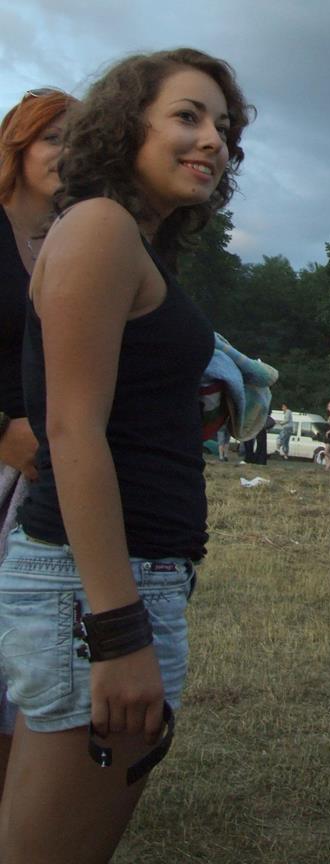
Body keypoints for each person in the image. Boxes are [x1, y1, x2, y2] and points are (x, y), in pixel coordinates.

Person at [0, 49, 252, 864]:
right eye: (188, 116)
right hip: (94, 592)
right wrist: (115, 632)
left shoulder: (132, 242)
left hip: (116, 582)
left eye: (224, 127)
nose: (213, 140)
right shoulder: (101, 227)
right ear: (124, 125)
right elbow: (71, 432)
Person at [0, 85, 74, 799]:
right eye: (54, 138)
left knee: (18, 650)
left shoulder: (70, 242)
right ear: (17, 148)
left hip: (43, 476)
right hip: (5, 454)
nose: (67, 154)